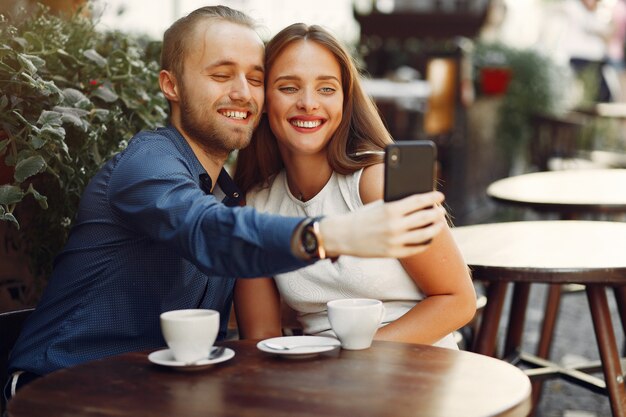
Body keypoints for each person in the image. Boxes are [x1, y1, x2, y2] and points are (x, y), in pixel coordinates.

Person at [4, 6, 449, 402]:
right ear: (171, 85)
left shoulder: (234, 195)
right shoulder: (149, 163)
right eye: (221, 75)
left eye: (255, 78)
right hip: (61, 391)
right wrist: (329, 234)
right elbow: (207, 233)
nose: (243, 93)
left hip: (157, 394)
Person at [233, 23, 476, 348]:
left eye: (327, 89)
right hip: (321, 383)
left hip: (418, 370)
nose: (308, 102)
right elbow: (261, 341)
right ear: (263, 99)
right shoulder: (258, 203)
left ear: (346, 101)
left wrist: (350, 366)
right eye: (288, 87)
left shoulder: (376, 181)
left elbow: (458, 299)